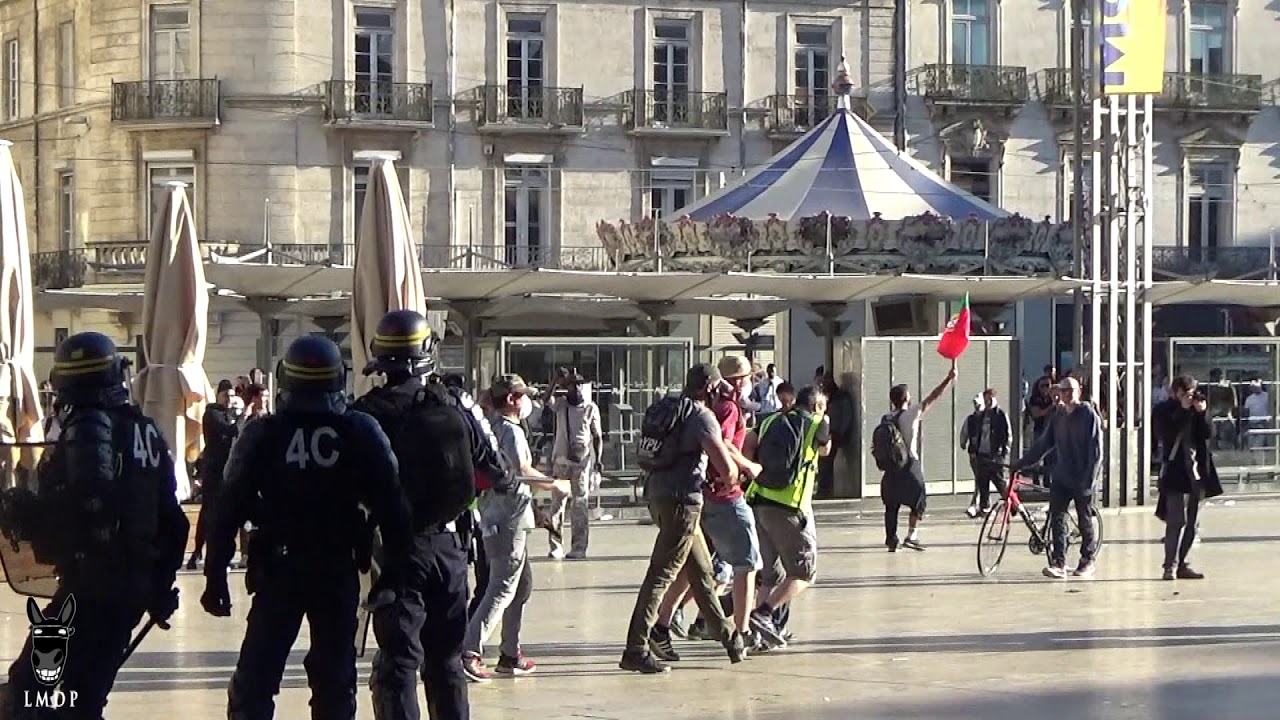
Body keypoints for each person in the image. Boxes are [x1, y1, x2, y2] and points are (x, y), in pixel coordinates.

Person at [201, 335, 413, 720]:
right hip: (337, 568)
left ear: (285, 379)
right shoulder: (359, 431)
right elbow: (394, 508)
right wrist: (393, 576)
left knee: (255, 681)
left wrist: (215, 573)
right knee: (334, 683)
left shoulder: (263, 433)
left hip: (279, 568)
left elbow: (226, 507)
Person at [1, 332, 189, 719]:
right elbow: (174, 523)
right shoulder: (148, 432)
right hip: (131, 588)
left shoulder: (89, 428)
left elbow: (88, 507)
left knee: (31, 691)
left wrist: (25, 512)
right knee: (83, 696)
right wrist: (157, 587)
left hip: (92, 587)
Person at [354, 310, 505, 720]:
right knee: (446, 661)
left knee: (398, 664)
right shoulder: (456, 403)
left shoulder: (365, 413)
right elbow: (496, 470)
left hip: (394, 550)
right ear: (427, 353)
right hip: (451, 548)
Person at [621, 363, 747, 674]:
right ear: (712, 389)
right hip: (683, 503)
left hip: (658, 495)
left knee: (702, 572)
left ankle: (732, 640)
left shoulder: (667, 408)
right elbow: (725, 466)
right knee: (660, 576)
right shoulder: (702, 417)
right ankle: (635, 648)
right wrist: (733, 477)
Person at [649, 356, 764, 660]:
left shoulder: (701, 407)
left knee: (694, 565)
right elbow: (723, 444)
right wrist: (747, 466)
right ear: (733, 381)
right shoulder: (725, 407)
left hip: (697, 495)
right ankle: (742, 631)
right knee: (747, 562)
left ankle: (663, 623)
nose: (749, 381)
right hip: (723, 495)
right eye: (745, 376)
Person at [462, 374, 566, 682]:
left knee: (520, 587)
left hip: (498, 515)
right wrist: (553, 483)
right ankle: (469, 651)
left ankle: (510, 653)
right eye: (523, 396)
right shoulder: (510, 431)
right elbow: (520, 470)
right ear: (511, 399)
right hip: (508, 518)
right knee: (502, 587)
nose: (528, 404)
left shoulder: (490, 428)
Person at [743, 385, 831, 648]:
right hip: (790, 507)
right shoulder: (817, 422)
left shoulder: (770, 420)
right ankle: (764, 613)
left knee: (770, 575)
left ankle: (759, 637)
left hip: (759, 501)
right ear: (816, 406)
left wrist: (752, 474)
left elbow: (748, 444)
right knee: (804, 574)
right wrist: (823, 419)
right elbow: (825, 450)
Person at [1013, 376, 1102, 579]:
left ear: (1079, 392)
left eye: (1070, 390)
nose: (1066, 394)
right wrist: (1022, 463)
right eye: (1063, 390)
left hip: (1082, 478)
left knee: (1084, 519)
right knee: (1057, 517)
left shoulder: (1087, 413)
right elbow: (1044, 444)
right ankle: (1059, 562)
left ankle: (1087, 559)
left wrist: (1090, 480)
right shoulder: (1058, 415)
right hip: (1061, 476)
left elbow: (1096, 450)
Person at [1153, 375, 1224, 581]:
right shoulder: (1163, 410)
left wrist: (1201, 413)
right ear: (1174, 393)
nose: (1189, 397)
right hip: (1176, 473)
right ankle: (1170, 566)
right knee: (1176, 521)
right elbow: (1165, 433)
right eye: (1185, 394)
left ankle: (1182, 562)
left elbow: (1209, 434)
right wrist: (1183, 410)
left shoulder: (1196, 408)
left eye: (1191, 393)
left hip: (1198, 473)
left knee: (1193, 524)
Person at [882, 364, 957, 552]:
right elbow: (933, 397)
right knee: (919, 498)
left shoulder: (886, 418)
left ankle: (891, 540)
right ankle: (912, 534)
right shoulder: (911, 414)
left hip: (891, 468)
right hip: (909, 464)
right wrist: (948, 379)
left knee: (892, 505)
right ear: (906, 398)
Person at [546, 371, 602, 560]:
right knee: (557, 505)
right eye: (572, 385)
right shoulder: (562, 405)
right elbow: (546, 400)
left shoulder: (590, 408)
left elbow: (597, 436)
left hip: (582, 461)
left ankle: (579, 546)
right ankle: (555, 545)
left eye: (579, 385)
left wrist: (598, 460)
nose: (576, 389)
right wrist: (555, 380)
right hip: (562, 461)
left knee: (580, 504)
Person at [189, 379, 243, 570]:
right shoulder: (212, 414)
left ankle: (218, 553)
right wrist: (245, 414)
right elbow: (230, 430)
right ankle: (197, 552)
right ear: (218, 395)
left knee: (225, 512)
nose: (228, 399)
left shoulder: (229, 415)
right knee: (208, 512)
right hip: (214, 470)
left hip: (227, 470)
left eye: (231, 396)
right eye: (225, 395)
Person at [960, 388, 1010, 517]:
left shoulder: (1000, 415)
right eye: (986, 400)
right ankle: (984, 508)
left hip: (995, 454)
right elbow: (974, 433)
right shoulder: (980, 416)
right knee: (983, 482)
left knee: (999, 481)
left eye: (990, 399)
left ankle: (1011, 503)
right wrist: (973, 449)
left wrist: (1004, 452)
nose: (988, 403)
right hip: (982, 454)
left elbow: (1007, 435)